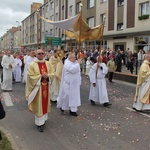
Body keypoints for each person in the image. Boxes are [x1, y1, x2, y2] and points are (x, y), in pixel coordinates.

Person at [26, 49, 54, 132]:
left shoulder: (48, 63)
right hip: (38, 89)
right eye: (39, 54)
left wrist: (48, 76)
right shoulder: (32, 65)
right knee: (39, 105)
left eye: (42, 53)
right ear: (36, 55)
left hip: (46, 87)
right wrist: (41, 77)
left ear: (44, 54)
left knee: (45, 104)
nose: (41, 55)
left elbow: (53, 73)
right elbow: (30, 76)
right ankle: (39, 124)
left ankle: (44, 120)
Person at [57, 52, 81, 116]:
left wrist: (79, 81)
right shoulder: (67, 63)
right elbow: (72, 69)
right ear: (70, 58)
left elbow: (78, 72)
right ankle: (62, 106)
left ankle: (73, 110)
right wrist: (78, 63)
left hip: (75, 84)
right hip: (68, 83)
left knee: (74, 97)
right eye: (74, 57)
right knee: (66, 96)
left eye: (75, 57)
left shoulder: (75, 63)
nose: (75, 58)